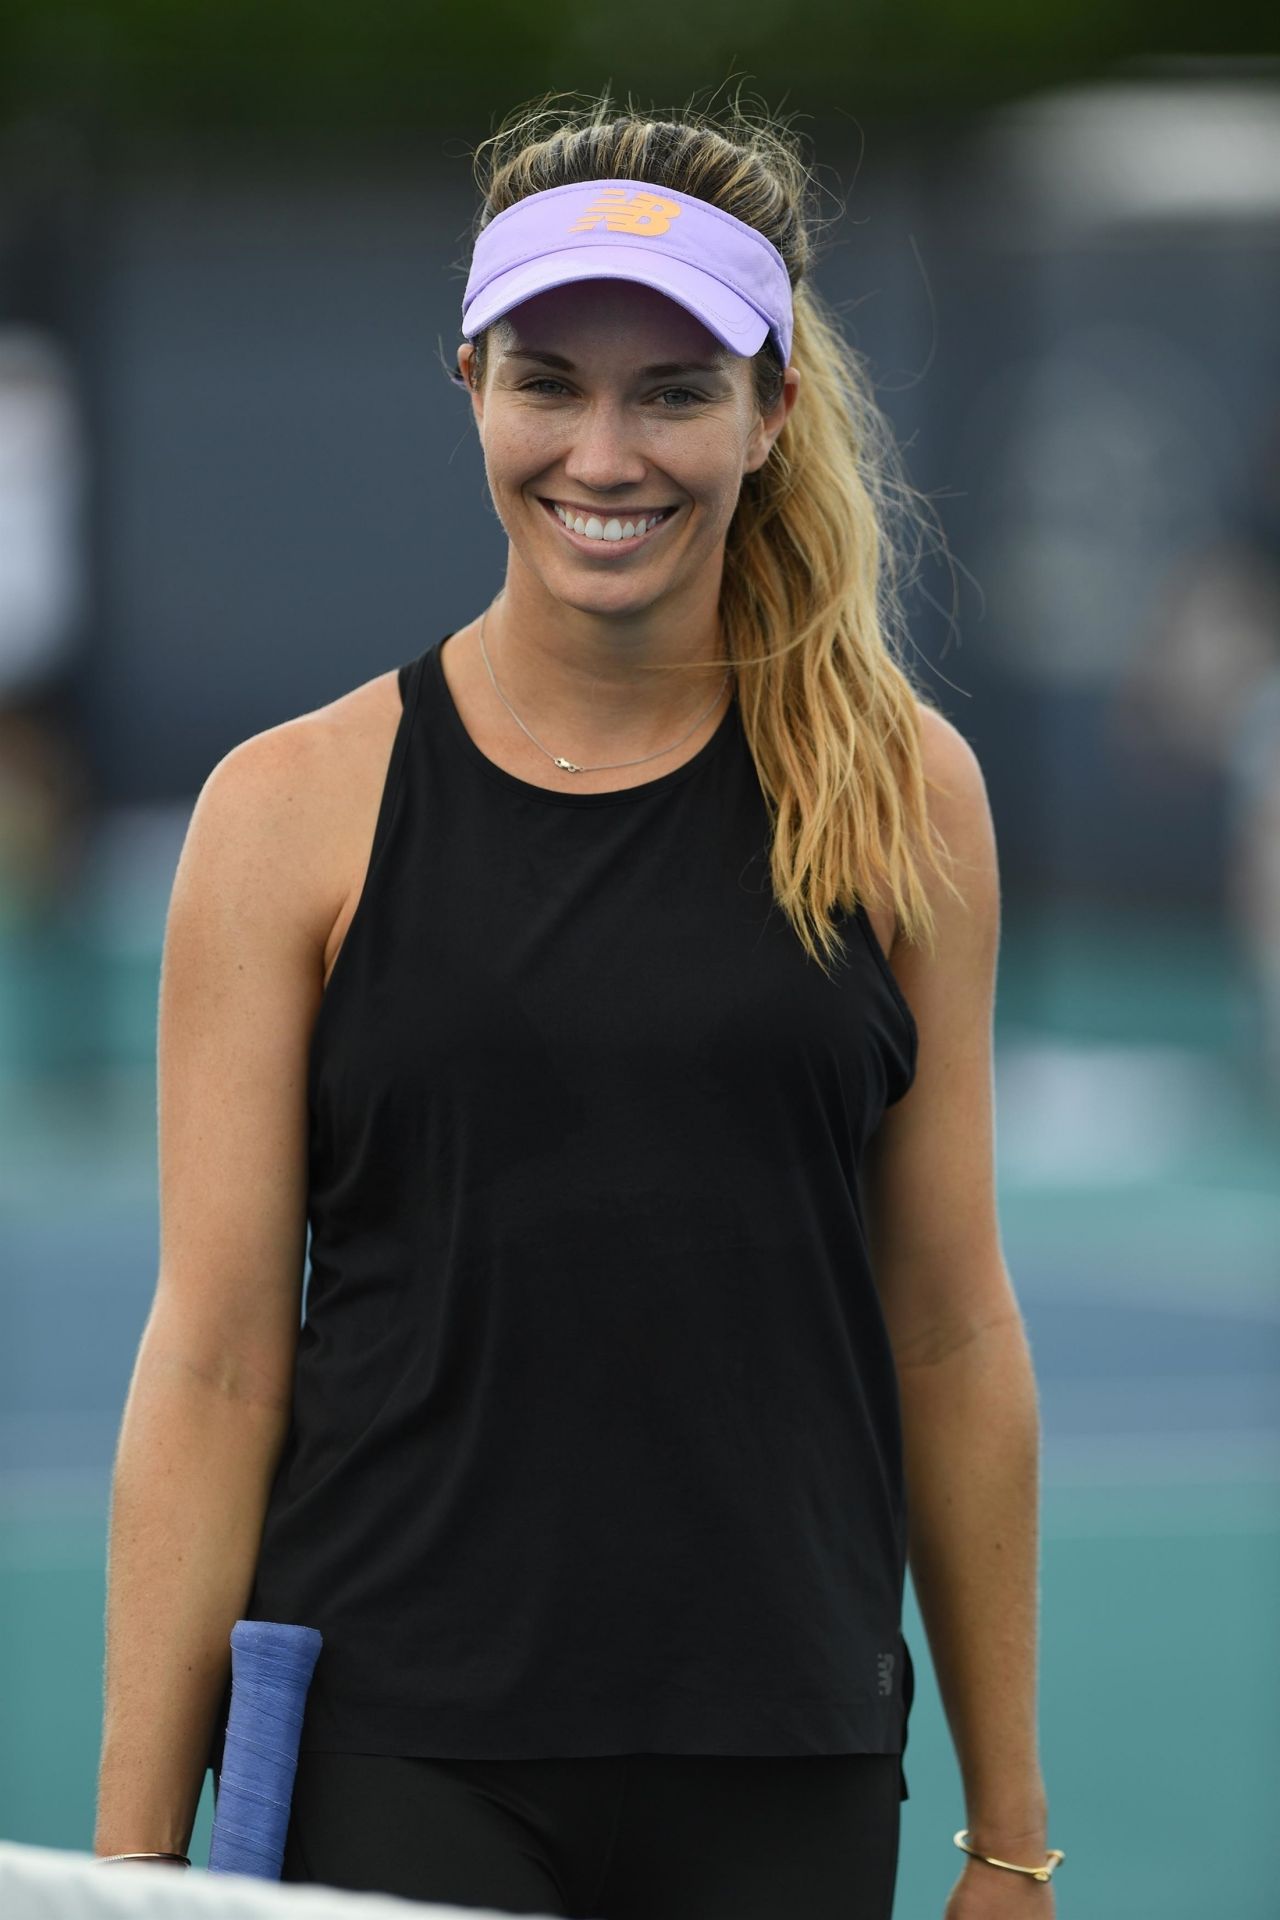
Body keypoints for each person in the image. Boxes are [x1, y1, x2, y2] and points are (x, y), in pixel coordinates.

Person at [94, 91, 1061, 1920]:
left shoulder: (900, 793)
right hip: (400, 1748)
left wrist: (1010, 1834)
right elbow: (219, 1357)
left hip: (788, 1750)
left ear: (771, 413)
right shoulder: (287, 811)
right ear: (469, 381)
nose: (602, 452)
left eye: (674, 392)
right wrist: (136, 1862)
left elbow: (948, 1325)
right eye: (550, 380)